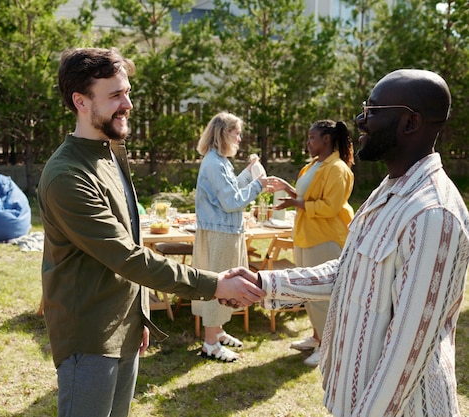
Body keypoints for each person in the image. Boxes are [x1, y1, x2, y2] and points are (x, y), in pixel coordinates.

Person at [37, 47, 263, 417]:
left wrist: (138, 314)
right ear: (80, 101)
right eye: (115, 95)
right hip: (90, 337)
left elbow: (131, 241)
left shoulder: (110, 153)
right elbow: (126, 255)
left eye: (127, 92)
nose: (127, 104)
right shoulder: (68, 176)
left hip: (123, 328)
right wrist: (215, 284)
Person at [236, 69, 469, 416]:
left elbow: (406, 351)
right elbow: (347, 271)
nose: (360, 120)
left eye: (373, 111)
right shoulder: (388, 193)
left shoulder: (433, 214)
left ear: (410, 122)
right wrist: (262, 282)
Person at [270, 119, 354, 367]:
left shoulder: (337, 169)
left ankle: (328, 348)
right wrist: (289, 191)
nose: (307, 143)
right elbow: (306, 197)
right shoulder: (313, 166)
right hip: (307, 236)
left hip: (326, 239)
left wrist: (295, 204)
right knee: (308, 292)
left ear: (326, 139)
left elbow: (330, 207)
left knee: (324, 296)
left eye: (311, 138)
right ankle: (317, 337)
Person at [192, 112, 268, 362]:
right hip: (220, 233)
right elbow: (232, 201)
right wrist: (259, 185)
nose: (239, 138)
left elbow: (230, 189)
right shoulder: (215, 162)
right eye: (236, 132)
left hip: (222, 231)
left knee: (222, 286)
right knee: (218, 287)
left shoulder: (218, 161)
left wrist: (248, 174)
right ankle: (210, 343)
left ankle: (218, 331)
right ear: (224, 133)